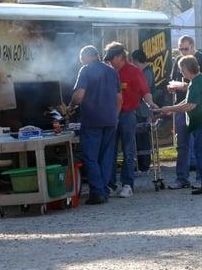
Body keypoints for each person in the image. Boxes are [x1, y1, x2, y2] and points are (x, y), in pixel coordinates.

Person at [157, 56, 202, 195]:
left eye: (181, 70)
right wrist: (170, 108)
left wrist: (170, 109)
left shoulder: (196, 83)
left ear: (187, 69)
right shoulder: (199, 80)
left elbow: (190, 106)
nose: (181, 73)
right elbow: (188, 101)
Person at [68, 46, 122, 204]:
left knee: (90, 157)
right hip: (110, 120)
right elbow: (119, 99)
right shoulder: (112, 71)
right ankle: (104, 190)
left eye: (81, 59)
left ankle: (97, 192)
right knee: (106, 157)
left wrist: (70, 106)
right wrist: (115, 116)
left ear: (85, 57)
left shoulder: (86, 70)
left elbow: (78, 96)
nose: (81, 62)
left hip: (92, 120)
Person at [104, 42, 158, 198]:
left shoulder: (134, 71)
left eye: (111, 58)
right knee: (110, 151)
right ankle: (110, 184)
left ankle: (128, 184)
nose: (109, 62)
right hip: (111, 115)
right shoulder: (109, 71)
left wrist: (151, 104)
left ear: (121, 57)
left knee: (128, 150)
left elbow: (145, 91)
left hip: (128, 114)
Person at [167, 35, 202, 189]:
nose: (183, 52)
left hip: (197, 108)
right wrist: (172, 86)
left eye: (185, 48)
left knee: (200, 145)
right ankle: (182, 178)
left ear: (193, 47)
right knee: (182, 144)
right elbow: (173, 79)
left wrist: (183, 87)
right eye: (180, 49)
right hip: (181, 105)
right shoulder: (178, 61)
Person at [131, 49, 155, 173]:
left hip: (143, 111)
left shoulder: (146, 73)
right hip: (141, 110)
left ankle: (144, 165)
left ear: (136, 60)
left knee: (143, 139)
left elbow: (143, 91)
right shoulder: (146, 71)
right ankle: (142, 164)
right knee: (140, 139)